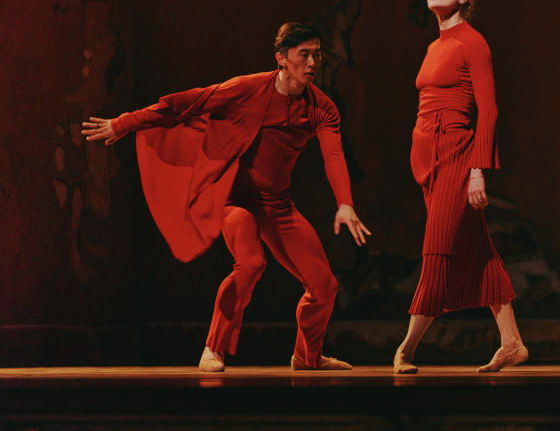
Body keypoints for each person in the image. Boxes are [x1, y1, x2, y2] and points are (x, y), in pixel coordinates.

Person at [82, 22, 371, 372]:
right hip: (236, 200)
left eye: (317, 55)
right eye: (304, 55)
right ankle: (213, 348)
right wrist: (123, 123)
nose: (313, 62)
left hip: (277, 206)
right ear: (281, 58)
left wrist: (345, 203)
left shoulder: (322, 107)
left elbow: (334, 155)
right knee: (251, 264)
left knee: (324, 286)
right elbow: (184, 104)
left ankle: (307, 357)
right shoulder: (247, 89)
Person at [393, 0, 527, 374]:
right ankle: (512, 343)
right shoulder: (435, 45)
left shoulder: (474, 42)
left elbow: (488, 110)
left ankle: (406, 348)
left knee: (437, 251)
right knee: (478, 251)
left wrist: (477, 170)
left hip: (456, 155)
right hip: (428, 157)